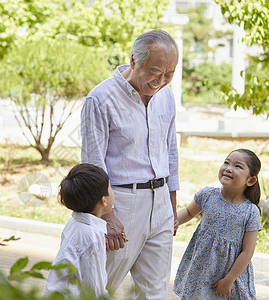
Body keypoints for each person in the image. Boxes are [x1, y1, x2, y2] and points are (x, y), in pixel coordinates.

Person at [81, 29, 180, 299]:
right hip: (120, 204)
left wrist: (171, 204)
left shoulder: (166, 96)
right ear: (134, 61)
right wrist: (108, 216)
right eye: (155, 71)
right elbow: (93, 164)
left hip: (160, 203)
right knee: (100, 288)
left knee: (154, 293)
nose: (161, 81)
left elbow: (170, 150)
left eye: (169, 73)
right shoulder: (100, 99)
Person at [173, 149, 262, 299]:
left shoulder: (250, 212)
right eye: (226, 162)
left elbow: (247, 252)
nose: (228, 168)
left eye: (238, 166)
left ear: (250, 180)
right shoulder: (208, 195)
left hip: (231, 275)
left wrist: (229, 280)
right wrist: (172, 223)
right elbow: (188, 212)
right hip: (201, 270)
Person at [43, 163, 116, 299]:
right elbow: (94, 291)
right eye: (110, 188)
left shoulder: (74, 223)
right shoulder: (91, 236)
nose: (113, 192)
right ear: (103, 201)